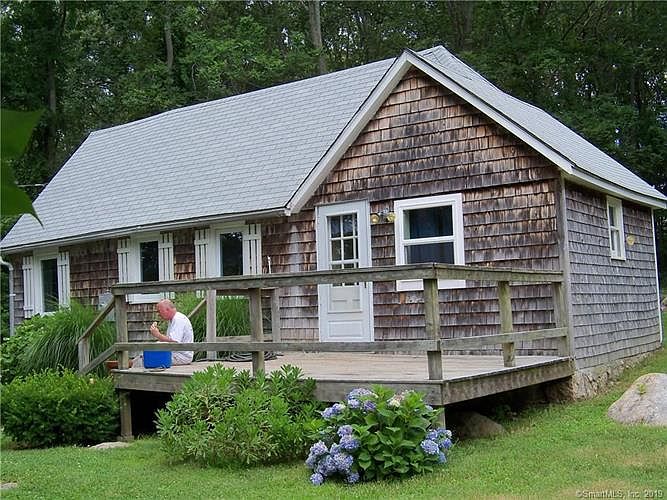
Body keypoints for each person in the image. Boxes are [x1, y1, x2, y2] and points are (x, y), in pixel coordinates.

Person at [132, 299, 194, 368]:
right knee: (146, 354)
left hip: (181, 356)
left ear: (167, 309)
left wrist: (158, 335)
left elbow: (174, 342)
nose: (158, 314)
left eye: (159, 311)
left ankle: (130, 371)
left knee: (146, 359)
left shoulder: (178, 319)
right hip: (175, 353)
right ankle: (130, 365)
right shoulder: (174, 319)